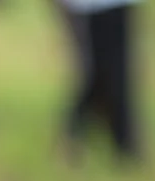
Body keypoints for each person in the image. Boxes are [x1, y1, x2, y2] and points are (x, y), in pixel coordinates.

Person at [54, 0, 141, 164]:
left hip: (109, 6)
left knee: (115, 73)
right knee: (99, 72)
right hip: (91, 7)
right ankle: (75, 137)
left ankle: (125, 146)